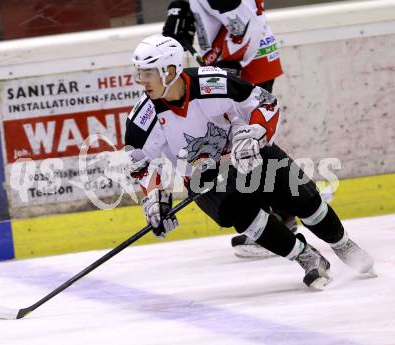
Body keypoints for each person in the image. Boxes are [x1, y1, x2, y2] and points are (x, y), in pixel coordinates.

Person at [124, 34, 375, 289]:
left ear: (169, 70)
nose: (140, 81)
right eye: (138, 72)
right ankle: (306, 256)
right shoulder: (141, 120)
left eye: (147, 73)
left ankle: (342, 243)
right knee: (245, 217)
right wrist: (155, 198)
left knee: (303, 199)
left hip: (246, 153)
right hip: (206, 179)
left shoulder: (214, 82)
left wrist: (256, 132)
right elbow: (142, 166)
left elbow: (265, 103)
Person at [162, 0, 294, 257]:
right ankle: (281, 212)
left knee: (246, 141)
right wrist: (180, 7)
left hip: (248, 62)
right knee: (237, 142)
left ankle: (279, 217)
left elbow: (247, 25)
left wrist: (223, 63)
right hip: (247, 59)